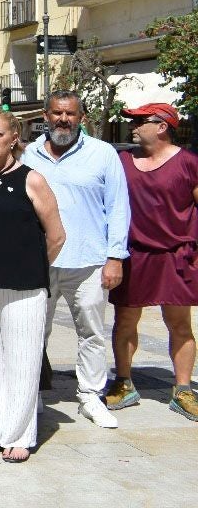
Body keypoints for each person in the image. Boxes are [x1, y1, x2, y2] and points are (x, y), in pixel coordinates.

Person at [0, 109, 65, 462]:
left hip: (24, 287)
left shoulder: (31, 179)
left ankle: (19, 435)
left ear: (13, 137)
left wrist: (30, 267)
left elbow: (56, 235)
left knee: (22, 360)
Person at [24, 90, 129, 429]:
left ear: (81, 117)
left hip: (89, 260)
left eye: (70, 114)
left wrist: (116, 256)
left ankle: (90, 396)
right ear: (46, 114)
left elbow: (118, 207)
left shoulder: (103, 154)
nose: (63, 120)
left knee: (92, 332)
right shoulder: (29, 154)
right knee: (34, 330)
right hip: (41, 261)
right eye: (57, 113)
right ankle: (32, 394)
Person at [106, 103, 198, 421]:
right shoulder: (122, 161)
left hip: (177, 255)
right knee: (126, 322)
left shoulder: (188, 163)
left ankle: (183, 389)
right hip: (134, 254)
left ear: (162, 126)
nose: (132, 125)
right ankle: (123, 382)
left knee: (179, 324)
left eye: (139, 121)